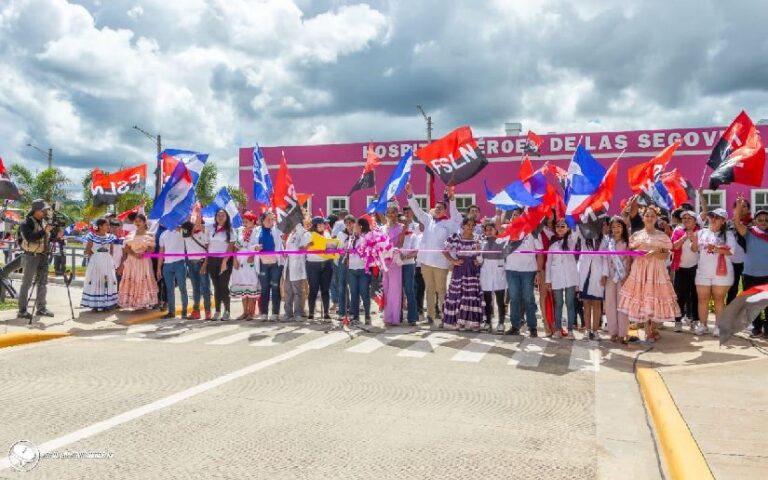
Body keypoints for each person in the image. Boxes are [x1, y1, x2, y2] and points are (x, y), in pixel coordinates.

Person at [618, 206, 680, 342]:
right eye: (647, 215)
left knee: (655, 298)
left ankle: (653, 328)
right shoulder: (636, 235)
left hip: (656, 270)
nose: (649, 218)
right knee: (643, 298)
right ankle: (647, 329)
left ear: (656, 218)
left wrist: (655, 253)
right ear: (643, 217)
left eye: (652, 216)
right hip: (640, 271)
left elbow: (666, 254)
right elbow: (629, 252)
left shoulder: (662, 236)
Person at [405, 182, 461, 324]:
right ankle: (430, 316)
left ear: (445, 210)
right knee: (429, 290)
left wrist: (452, 198)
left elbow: (456, 220)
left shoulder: (450, 223)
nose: (437, 209)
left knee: (441, 290)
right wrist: (410, 194)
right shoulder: (428, 219)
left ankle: (444, 316)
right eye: (436, 207)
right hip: (426, 261)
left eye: (441, 208)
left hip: (441, 262)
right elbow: (416, 209)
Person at [691, 208, 736, 337]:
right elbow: (694, 249)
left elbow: (730, 252)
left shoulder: (729, 234)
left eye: (717, 217)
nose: (713, 219)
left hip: (721, 273)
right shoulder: (701, 232)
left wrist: (715, 248)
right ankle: (703, 325)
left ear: (723, 221)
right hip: (703, 272)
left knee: (719, 299)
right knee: (702, 299)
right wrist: (693, 241)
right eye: (711, 216)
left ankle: (718, 326)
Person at [504, 208, 543, 336]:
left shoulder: (533, 232)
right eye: (513, 215)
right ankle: (515, 326)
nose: (515, 217)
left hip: (528, 270)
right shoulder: (508, 231)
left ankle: (532, 327)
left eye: (518, 215)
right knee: (514, 299)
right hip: (511, 269)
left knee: (528, 298)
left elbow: (540, 251)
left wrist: (538, 271)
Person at [733, 197, 768, 337]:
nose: (763, 222)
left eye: (766, 219)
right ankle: (756, 327)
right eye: (760, 219)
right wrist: (740, 206)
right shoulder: (749, 233)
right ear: (754, 221)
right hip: (750, 274)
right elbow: (736, 222)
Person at [442, 217, 484, 331]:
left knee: (471, 295)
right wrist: (453, 260)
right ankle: (459, 322)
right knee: (459, 295)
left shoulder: (478, 238)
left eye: (472, 225)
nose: (470, 227)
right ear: (463, 226)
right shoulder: (456, 237)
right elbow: (444, 250)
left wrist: (478, 259)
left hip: (472, 270)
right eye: (468, 225)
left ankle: (472, 323)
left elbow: (481, 255)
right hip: (459, 270)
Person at [16, 199, 55, 320]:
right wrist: (45, 231)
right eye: (43, 210)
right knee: (26, 283)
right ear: (36, 210)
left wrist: (55, 233)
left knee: (42, 283)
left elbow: (47, 237)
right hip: (31, 256)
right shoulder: (26, 222)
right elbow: (30, 238)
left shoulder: (43, 222)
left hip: (43, 256)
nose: (45, 212)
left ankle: (41, 308)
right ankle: (22, 311)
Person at [545, 219, 581, 339]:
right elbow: (548, 263)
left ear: (568, 228)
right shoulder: (552, 243)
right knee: (558, 304)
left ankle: (570, 330)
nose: (560, 228)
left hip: (570, 277)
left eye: (563, 226)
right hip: (556, 277)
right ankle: (558, 330)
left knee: (570, 303)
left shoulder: (571, 240)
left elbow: (576, 230)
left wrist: (572, 220)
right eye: (558, 226)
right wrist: (548, 280)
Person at [118, 214, 159, 309]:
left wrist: (144, 253)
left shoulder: (150, 234)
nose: (137, 223)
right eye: (136, 221)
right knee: (133, 280)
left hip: (144, 261)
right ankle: (133, 302)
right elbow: (126, 248)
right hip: (132, 260)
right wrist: (134, 254)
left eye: (139, 221)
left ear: (144, 222)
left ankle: (144, 302)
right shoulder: (131, 234)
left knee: (143, 280)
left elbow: (152, 249)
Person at [670, 210, 700, 332]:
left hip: (695, 268)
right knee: (679, 296)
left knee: (695, 295)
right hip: (680, 268)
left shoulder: (700, 232)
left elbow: (695, 249)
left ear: (695, 221)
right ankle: (678, 320)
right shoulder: (677, 231)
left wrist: (693, 238)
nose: (686, 220)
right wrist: (684, 237)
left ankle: (695, 320)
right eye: (684, 218)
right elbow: (674, 247)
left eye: (689, 218)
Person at [81, 219, 119, 311]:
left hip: (107, 261)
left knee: (107, 281)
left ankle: (106, 303)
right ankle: (96, 304)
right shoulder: (92, 236)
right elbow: (87, 250)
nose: (108, 227)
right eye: (106, 225)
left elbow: (112, 251)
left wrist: (110, 261)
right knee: (96, 280)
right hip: (96, 261)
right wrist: (96, 256)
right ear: (100, 226)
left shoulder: (111, 237)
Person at [577, 231, 608, 341]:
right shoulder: (584, 236)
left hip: (598, 273)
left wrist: (605, 274)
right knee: (586, 303)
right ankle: (587, 330)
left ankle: (595, 331)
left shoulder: (604, 238)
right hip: (585, 273)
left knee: (597, 304)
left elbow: (605, 258)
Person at [604, 216, 630, 344]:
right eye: (613, 227)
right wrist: (604, 275)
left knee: (622, 305)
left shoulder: (627, 242)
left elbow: (630, 261)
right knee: (609, 304)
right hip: (609, 277)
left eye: (619, 226)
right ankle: (613, 332)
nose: (616, 229)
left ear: (623, 228)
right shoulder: (608, 242)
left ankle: (622, 333)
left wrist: (627, 276)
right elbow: (604, 259)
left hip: (622, 276)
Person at [230, 212, 260, 320]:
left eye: (247, 221)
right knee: (243, 288)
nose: (244, 223)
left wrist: (253, 255)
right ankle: (245, 312)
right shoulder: (240, 230)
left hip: (250, 261)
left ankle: (251, 313)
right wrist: (234, 260)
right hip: (239, 260)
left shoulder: (257, 231)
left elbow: (258, 245)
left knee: (251, 286)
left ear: (253, 221)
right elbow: (236, 247)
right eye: (244, 221)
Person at [206, 209, 235, 320]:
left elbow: (231, 247)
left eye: (223, 215)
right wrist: (206, 263)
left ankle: (227, 311)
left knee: (223, 286)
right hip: (212, 260)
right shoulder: (211, 228)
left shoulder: (229, 230)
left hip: (225, 261)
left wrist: (224, 261)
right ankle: (217, 311)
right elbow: (207, 246)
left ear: (226, 217)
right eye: (218, 215)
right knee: (216, 286)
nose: (220, 217)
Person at [256, 211, 284, 321]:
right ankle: (264, 313)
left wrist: (277, 216)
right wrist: (255, 247)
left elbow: (284, 224)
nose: (270, 221)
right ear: (262, 221)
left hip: (276, 263)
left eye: (272, 219)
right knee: (264, 288)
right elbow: (251, 245)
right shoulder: (257, 231)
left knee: (275, 287)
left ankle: (275, 313)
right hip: (263, 263)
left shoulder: (277, 229)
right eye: (268, 219)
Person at [156, 226, 189, 319]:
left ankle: (184, 312)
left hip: (180, 263)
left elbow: (188, 235)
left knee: (182, 288)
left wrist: (182, 229)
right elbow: (161, 252)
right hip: (167, 265)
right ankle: (171, 312)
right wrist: (159, 268)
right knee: (170, 289)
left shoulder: (181, 231)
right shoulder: (163, 234)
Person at [306, 216, 335, 320]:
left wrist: (332, 246)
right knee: (313, 289)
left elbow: (331, 247)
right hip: (313, 265)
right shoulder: (308, 235)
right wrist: (309, 244)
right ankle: (311, 313)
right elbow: (302, 247)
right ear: (317, 225)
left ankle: (326, 312)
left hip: (326, 264)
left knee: (325, 290)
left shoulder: (327, 233)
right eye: (323, 223)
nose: (325, 225)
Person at [182, 218, 211, 320]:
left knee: (205, 288)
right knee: (195, 288)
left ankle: (208, 311)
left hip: (201, 263)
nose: (187, 234)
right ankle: (196, 311)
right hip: (191, 263)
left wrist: (205, 264)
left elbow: (208, 250)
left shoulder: (202, 234)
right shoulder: (185, 235)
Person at [479, 221, 506, 333]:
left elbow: (505, 256)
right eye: (487, 230)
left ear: (495, 230)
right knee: (487, 300)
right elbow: (480, 260)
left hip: (499, 271)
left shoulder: (502, 241)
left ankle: (501, 323)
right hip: (486, 272)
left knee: (500, 300)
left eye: (491, 229)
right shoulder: (481, 243)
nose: (489, 232)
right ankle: (488, 322)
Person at [283, 217, 311, 322]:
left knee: (298, 291)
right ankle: (288, 313)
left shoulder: (302, 233)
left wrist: (296, 218)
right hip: (288, 265)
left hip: (297, 266)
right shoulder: (291, 235)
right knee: (288, 291)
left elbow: (307, 238)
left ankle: (298, 313)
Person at [382, 205, 405, 326]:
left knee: (394, 290)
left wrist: (393, 250)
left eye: (393, 212)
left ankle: (395, 318)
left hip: (395, 261)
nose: (391, 215)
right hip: (384, 261)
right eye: (388, 212)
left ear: (397, 214)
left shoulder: (401, 227)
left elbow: (400, 244)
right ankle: (387, 317)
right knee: (386, 288)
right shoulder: (382, 228)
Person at [348, 217, 373, 324]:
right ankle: (355, 315)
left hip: (363, 270)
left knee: (364, 292)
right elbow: (348, 251)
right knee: (354, 293)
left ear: (360, 227)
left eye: (355, 226)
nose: (353, 227)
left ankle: (367, 315)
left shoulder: (367, 237)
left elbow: (368, 252)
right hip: (352, 269)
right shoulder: (351, 238)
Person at [400, 214, 420, 326]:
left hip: (408, 265)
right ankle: (398, 316)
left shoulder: (413, 236)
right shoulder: (395, 235)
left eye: (405, 223)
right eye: (401, 223)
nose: (403, 225)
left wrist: (406, 257)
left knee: (409, 290)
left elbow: (415, 251)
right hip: (396, 266)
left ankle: (412, 317)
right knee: (397, 292)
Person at [334, 215, 355, 320]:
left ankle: (352, 311)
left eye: (350, 223)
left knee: (353, 287)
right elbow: (337, 247)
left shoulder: (357, 234)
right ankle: (342, 311)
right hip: (342, 261)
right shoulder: (340, 234)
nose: (349, 225)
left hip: (354, 262)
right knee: (342, 286)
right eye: (347, 223)